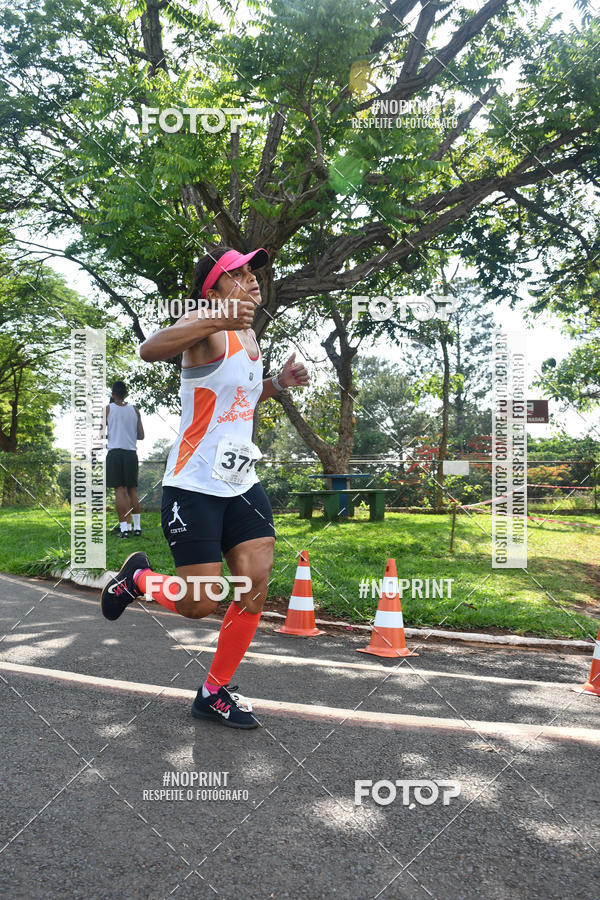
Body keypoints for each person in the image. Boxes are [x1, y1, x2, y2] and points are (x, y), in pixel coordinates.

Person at [101, 247, 309, 728]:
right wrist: (215, 316)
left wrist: (279, 381)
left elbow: (245, 395)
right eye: (239, 274)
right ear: (213, 288)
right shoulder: (204, 325)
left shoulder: (250, 335)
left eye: (253, 272)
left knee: (254, 584)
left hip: (240, 481)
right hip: (193, 483)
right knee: (200, 603)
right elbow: (150, 349)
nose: (253, 279)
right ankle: (139, 580)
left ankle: (213, 692)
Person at [105, 381, 145, 537]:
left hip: (115, 453)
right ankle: (137, 527)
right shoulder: (135, 410)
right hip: (131, 453)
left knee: (119, 491)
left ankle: (124, 530)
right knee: (132, 491)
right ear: (125, 393)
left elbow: (101, 434)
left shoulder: (107, 409)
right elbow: (141, 436)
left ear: (113, 393)